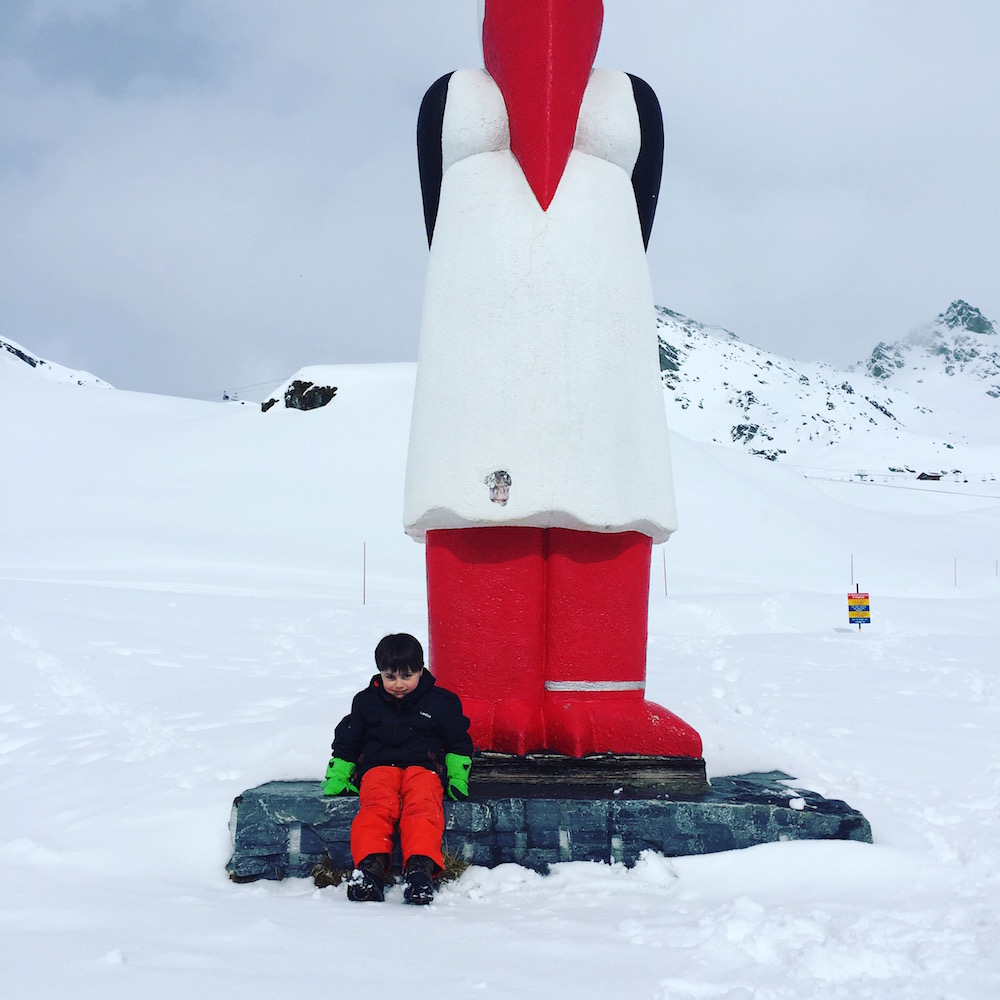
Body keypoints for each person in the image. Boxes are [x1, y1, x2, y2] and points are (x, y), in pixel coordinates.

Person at [322, 633, 473, 905]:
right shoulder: (366, 702)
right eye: (390, 677)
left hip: (423, 769)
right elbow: (348, 740)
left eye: (407, 676)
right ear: (380, 673)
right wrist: (338, 775)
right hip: (379, 769)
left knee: (423, 808)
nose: (399, 684)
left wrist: (458, 777)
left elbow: (457, 741)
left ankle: (419, 870)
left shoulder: (441, 703)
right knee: (376, 808)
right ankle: (370, 870)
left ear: (421, 669)